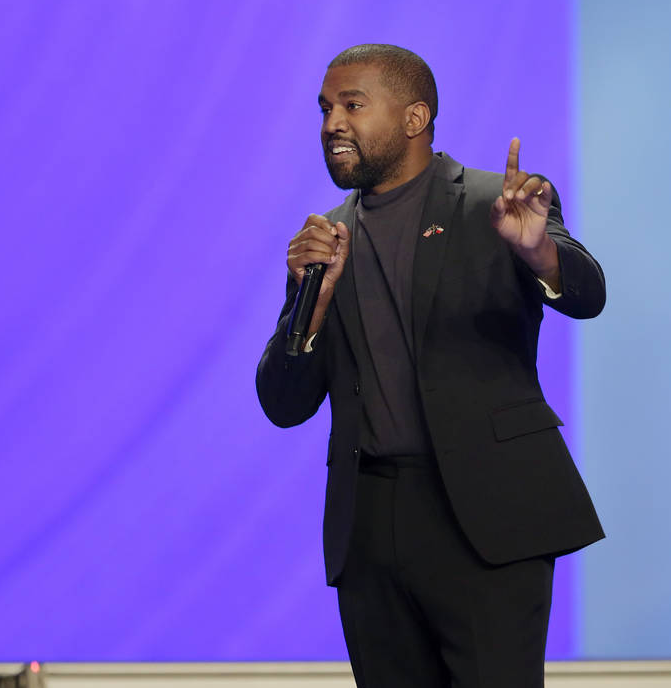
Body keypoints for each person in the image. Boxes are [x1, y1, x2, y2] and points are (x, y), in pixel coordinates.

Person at [256, 44, 605, 688]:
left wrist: (541, 256)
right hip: (372, 526)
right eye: (326, 109)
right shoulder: (325, 239)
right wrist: (309, 307)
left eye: (352, 105)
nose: (332, 123)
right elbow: (284, 405)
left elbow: (588, 295)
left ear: (415, 117)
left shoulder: (497, 206)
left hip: (487, 517)